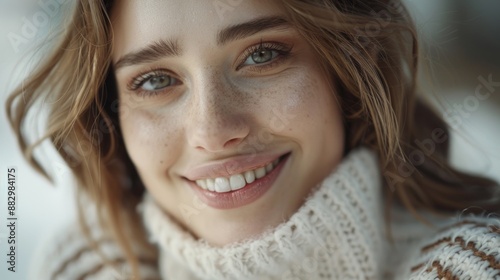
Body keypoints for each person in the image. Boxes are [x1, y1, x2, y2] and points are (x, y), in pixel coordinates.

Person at [6, 0, 500, 279]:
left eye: (262, 55)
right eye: (155, 81)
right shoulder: (82, 269)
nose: (213, 132)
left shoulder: (472, 268)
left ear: (348, 71)